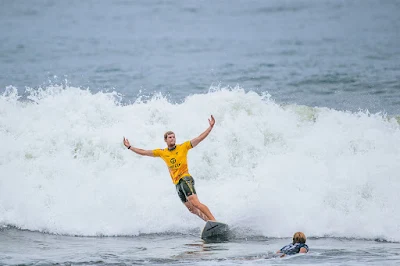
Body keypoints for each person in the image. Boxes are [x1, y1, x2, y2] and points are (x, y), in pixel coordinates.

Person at [123, 115, 217, 222]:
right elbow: (144, 152)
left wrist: (210, 127)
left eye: (174, 137)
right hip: (177, 184)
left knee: (195, 203)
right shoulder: (162, 152)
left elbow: (199, 138)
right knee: (192, 209)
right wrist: (130, 147)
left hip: (185, 178)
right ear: (165, 140)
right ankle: (210, 223)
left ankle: (214, 221)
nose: (172, 139)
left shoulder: (184, 146)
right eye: (170, 137)